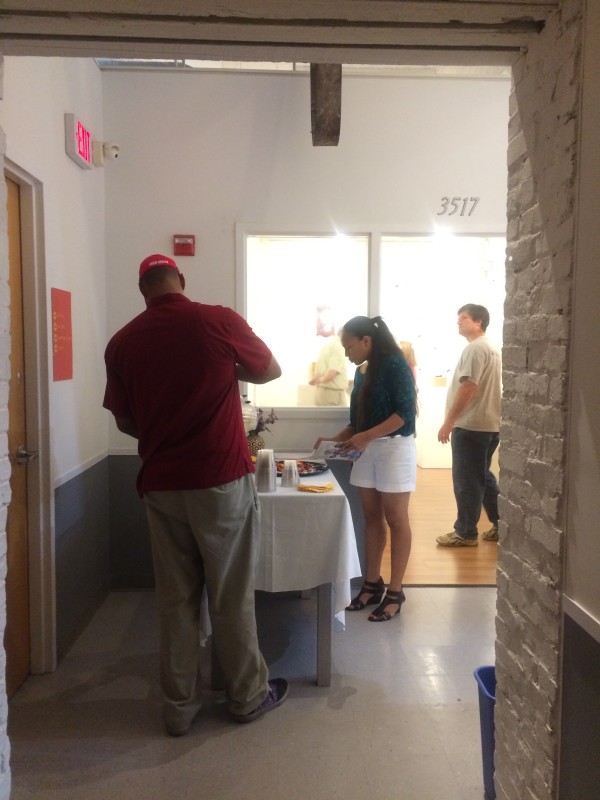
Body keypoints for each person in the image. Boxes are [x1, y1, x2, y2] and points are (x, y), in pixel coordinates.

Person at [103, 253, 288, 736]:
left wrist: (163, 430)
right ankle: (246, 697)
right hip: (220, 479)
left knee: (175, 600)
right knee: (230, 595)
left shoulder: (121, 342)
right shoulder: (215, 319)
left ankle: (179, 709)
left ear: (142, 290)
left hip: (162, 483)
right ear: (180, 281)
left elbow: (124, 420)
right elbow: (270, 371)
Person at [314, 315, 416, 622]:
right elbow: (358, 421)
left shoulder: (395, 364)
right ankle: (372, 583)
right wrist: (335, 440)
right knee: (371, 517)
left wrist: (365, 436)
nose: (346, 353)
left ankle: (396, 591)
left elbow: (404, 414)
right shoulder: (362, 371)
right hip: (367, 449)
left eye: (349, 347)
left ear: (366, 341)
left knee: (396, 518)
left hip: (394, 448)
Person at [436, 303, 501, 547]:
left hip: (472, 426)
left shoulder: (475, 349)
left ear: (478, 322)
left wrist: (449, 422)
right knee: (482, 477)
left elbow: (469, 386)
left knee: (467, 481)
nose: (459, 321)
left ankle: (465, 532)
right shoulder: (491, 348)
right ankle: (501, 523)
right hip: (488, 424)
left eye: (463, 318)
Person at [309, 329, 349, 406]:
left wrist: (317, 380)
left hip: (323, 393)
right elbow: (331, 373)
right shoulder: (339, 346)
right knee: (341, 418)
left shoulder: (328, 345)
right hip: (333, 395)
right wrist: (320, 380)